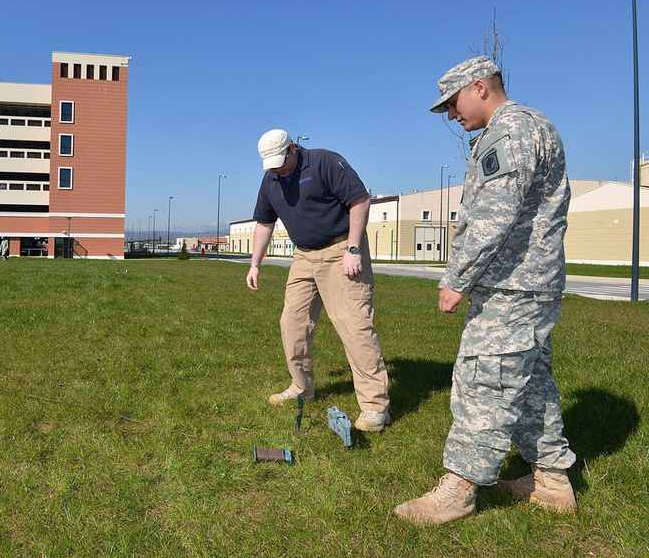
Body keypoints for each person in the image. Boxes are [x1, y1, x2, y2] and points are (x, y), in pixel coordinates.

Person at [394, 56, 576, 526]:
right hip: (531, 285)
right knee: (532, 381)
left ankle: (459, 490)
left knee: (484, 381)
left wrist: (458, 279)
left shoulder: (509, 131)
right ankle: (552, 480)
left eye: (452, 103)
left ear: (479, 87)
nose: (452, 115)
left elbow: (494, 216)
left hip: (511, 285)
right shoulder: (529, 125)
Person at [247, 129, 390, 432]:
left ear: (293, 149)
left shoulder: (325, 162)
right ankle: (302, 387)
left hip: (341, 250)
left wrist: (353, 248)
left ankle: (375, 407)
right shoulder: (271, 178)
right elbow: (264, 222)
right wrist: (255, 264)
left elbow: (360, 201)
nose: (278, 168)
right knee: (292, 324)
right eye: (271, 164)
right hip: (304, 256)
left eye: (281, 161)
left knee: (355, 326)